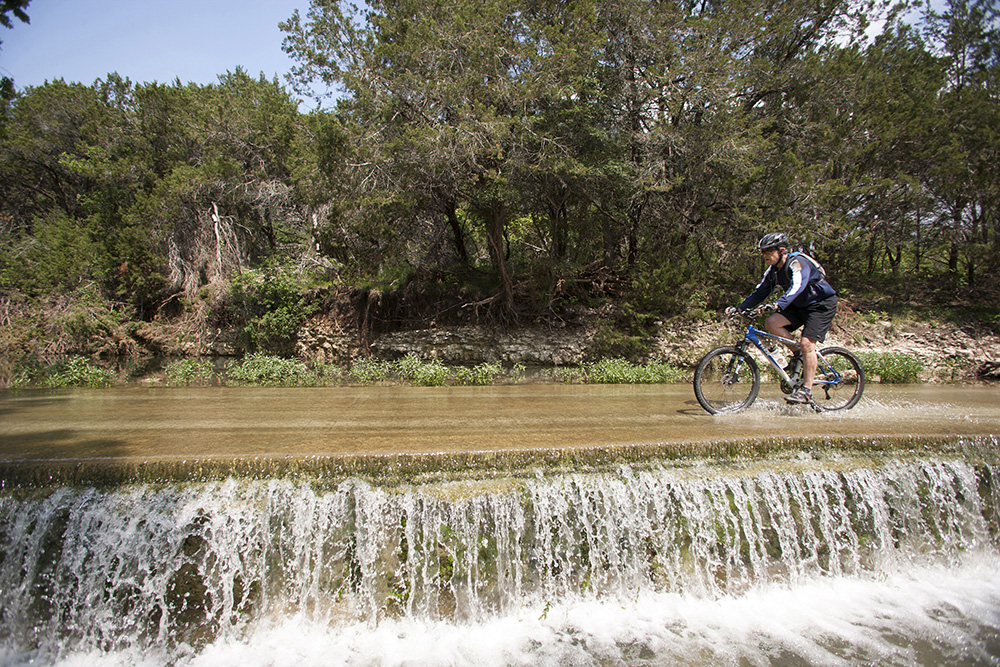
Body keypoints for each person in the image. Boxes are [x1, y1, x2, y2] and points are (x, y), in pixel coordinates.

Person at [727, 232, 838, 404]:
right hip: (799, 305)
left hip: (820, 305)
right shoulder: (773, 272)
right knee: (771, 322)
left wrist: (778, 304)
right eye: (763, 252)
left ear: (782, 250)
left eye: (769, 251)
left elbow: (797, 286)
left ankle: (807, 391)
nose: (765, 255)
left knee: (807, 342)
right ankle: (798, 355)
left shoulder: (798, 263)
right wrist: (740, 309)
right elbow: (759, 293)